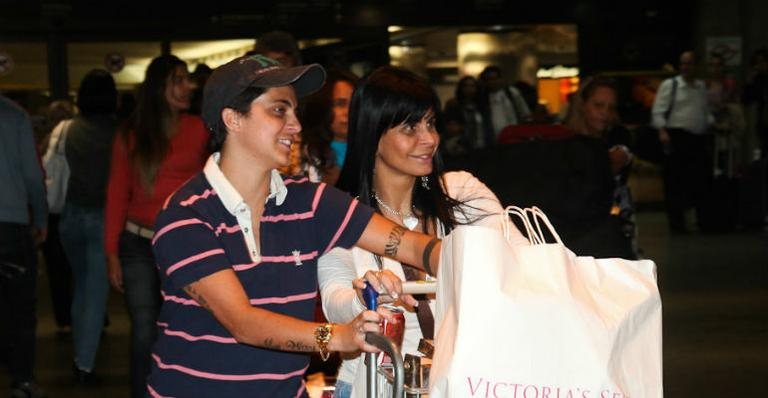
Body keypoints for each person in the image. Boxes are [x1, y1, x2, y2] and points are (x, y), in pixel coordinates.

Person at [146, 54, 442, 397]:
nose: (296, 125)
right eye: (278, 110)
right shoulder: (185, 215)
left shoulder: (311, 203)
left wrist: (477, 258)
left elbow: (412, 245)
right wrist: (339, 336)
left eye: (295, 111)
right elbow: (244, 324)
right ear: (232, 119)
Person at [318, 66, 527, 398]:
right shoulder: (340, 214)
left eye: (430, 123)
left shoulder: (462, 193)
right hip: (375, 387)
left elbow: (523, 262)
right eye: (410, 127)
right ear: (372, 135)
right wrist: (364, 296)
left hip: (468, 383)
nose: (428, 138)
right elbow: (335, 302)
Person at [104, 55, 209, 398]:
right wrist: (111, 253)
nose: (187, 87)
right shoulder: (133, 134)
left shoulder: (199, 128)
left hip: (184, 242)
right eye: (178, 80)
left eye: (187, 79)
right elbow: (117, 192)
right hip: (138, 244)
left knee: (184, 324)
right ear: (158, 87)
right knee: (144, 329)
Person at [53, 69, 118, 384]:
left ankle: (83, 348)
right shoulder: (119, 133)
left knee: (82, 287)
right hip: (102, 218)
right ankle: (84, 365)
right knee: (93, 293)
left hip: (70, 216)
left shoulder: (68, 129)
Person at [0, 94, 48, 398]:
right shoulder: (13, 114)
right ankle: (22, 380)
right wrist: (41, 217)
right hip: (11, 226)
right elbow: (32, 174)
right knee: (18, 308)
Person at [565, 76, 637, 256]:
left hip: (614, 214)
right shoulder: (566, 135)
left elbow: (609, 166)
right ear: (583, 105)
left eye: (610, 107)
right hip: (572, 217)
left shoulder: (619, 134)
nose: (605, 112)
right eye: (598, 105)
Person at [651, 50, 713, 233]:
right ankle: (677, 225)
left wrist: (712, 122)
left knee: (700, 181)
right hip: (677, 137)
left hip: (698, 139)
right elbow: (657, 110)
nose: (686, 67)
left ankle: (702, 221)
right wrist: (662, 130)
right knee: (675, 183)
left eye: (690, 63)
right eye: (683, 63)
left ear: (697, 66)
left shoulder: (701, 87)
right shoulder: (671, 85)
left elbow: (704, 111)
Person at [297, 67, 358, 183]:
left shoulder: (372, 148)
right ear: (322, 108)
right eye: (340, 104)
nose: (349, 111)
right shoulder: (305, 155)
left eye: (355, 104)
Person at [442, 75, 494, 155]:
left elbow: (487, 128)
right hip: (460, 149)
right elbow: (448, 126)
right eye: (465, 86)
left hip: (482, 148)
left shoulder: (482, 106)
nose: (469, 89)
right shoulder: (453, 105)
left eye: (472, 86)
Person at [478, 65, 531, 139]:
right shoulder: (483, 98)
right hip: (493, 139)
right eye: (489, 79)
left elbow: (524, 113)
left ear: (500, 79)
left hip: (513, 137)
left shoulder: (512, 93)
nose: (492, 82)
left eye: (495, 79)